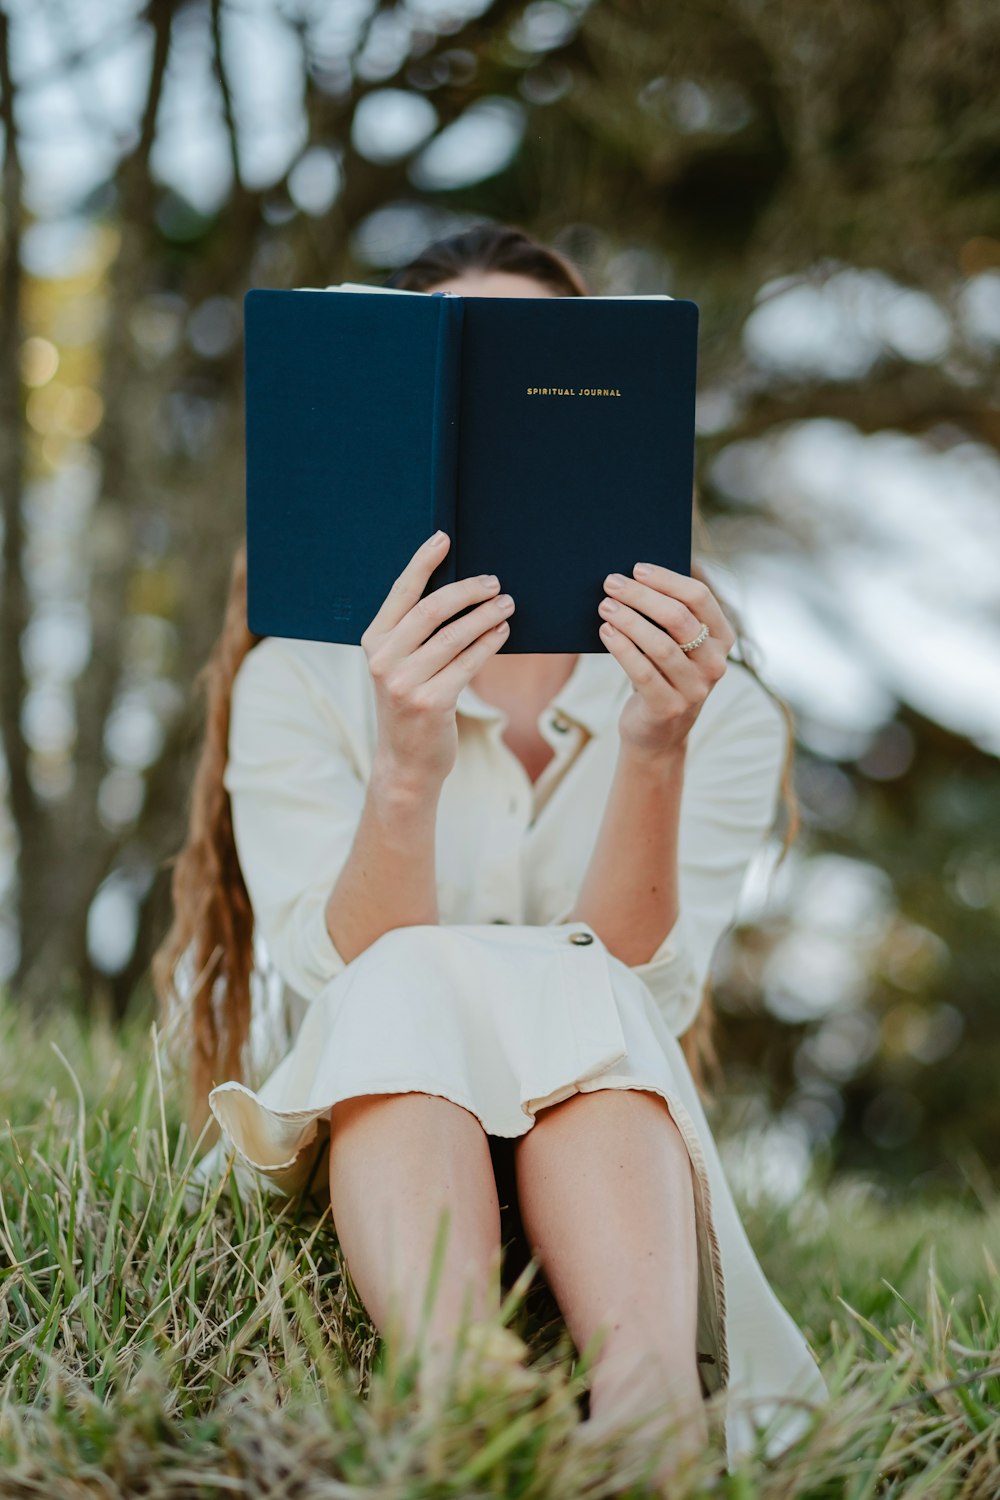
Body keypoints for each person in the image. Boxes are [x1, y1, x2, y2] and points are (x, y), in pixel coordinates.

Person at [153, 223, 830, 1486]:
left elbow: (635, 987)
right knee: (405, 977)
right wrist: (403, 764)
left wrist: (654, 745)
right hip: (375, 1132)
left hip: (608, 1131)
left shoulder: (713, 706)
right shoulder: (299, 675)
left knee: (572, 985)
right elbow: (343, 973)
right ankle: (463, 1391)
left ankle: (646, 1414)